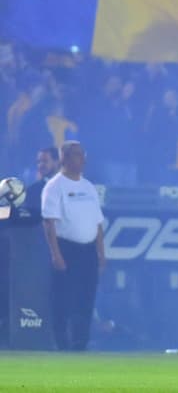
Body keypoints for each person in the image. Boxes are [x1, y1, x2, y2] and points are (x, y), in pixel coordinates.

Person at [39, 140, 104, 351]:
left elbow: (98, 224)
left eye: (83, 154)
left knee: (86, 300)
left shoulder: (88, 187)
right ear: (64, 158)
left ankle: (80, 344)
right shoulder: (54, 187)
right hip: (67, 249)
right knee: (63, 300)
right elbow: (49, 222)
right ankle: (61, 343)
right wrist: (56, 255)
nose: (82, 159)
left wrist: (101, 254)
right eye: (77, 155)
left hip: (88, 251)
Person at [28, 146, 58, 218]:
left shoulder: (69, 185)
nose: (40, 165)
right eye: (38, 162)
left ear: (57, 162)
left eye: (45, 161)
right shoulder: (32, 190)